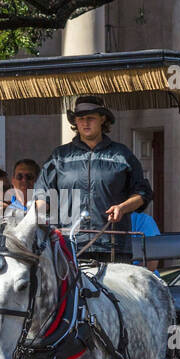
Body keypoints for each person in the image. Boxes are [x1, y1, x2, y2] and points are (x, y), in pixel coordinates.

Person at [37, 95, 153, 262]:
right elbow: (43, 196)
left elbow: (142, 193)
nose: (85, 123)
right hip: (68, 246)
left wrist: (122, 207)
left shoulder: (122, 155)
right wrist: (32, 214)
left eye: (90, 118)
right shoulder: (59, 157)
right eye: (81, 118)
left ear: (102, 119)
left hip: (113, 245)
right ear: (75, 122)